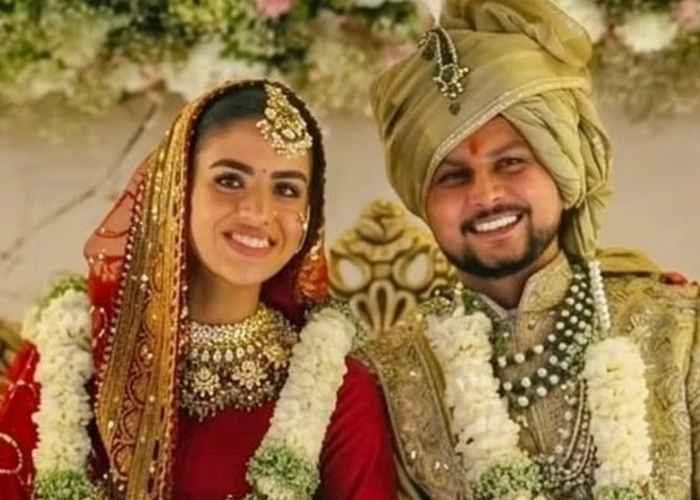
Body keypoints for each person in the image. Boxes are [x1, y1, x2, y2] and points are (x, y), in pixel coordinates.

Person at [361, 0, 700, 499]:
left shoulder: (680, 331)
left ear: (561, 170)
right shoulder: (389, 377)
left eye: (511, 162)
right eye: (453, 176)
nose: (486, 195)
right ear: (422, 201)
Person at [0, 79, 397, 499]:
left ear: (308, 216)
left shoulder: (337, 390)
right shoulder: (74, 352)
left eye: (286, 190)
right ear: (177, 188)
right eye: (230, 180)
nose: (258, 212)